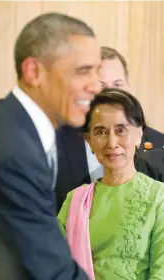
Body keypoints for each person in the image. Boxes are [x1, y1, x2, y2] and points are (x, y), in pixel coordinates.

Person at [0, 12, 101, 280]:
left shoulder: (13, 125)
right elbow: (51, 268)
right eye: (83, 71)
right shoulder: (10, 149)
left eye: (97, 71)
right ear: (34, 72)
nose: (96, 86)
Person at [58, 88, 164, 280]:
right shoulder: (75, 201)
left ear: (139, 134)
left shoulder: (159, 197)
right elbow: (54, 264)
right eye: (100, 132)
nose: (112, 142)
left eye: (121, 130)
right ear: (88, 140)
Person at [55, 46, 164, 212]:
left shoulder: (159, 145)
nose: (111, 94)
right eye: (101, 86)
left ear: (128, 87)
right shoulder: (54, 144)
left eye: (118, 84)